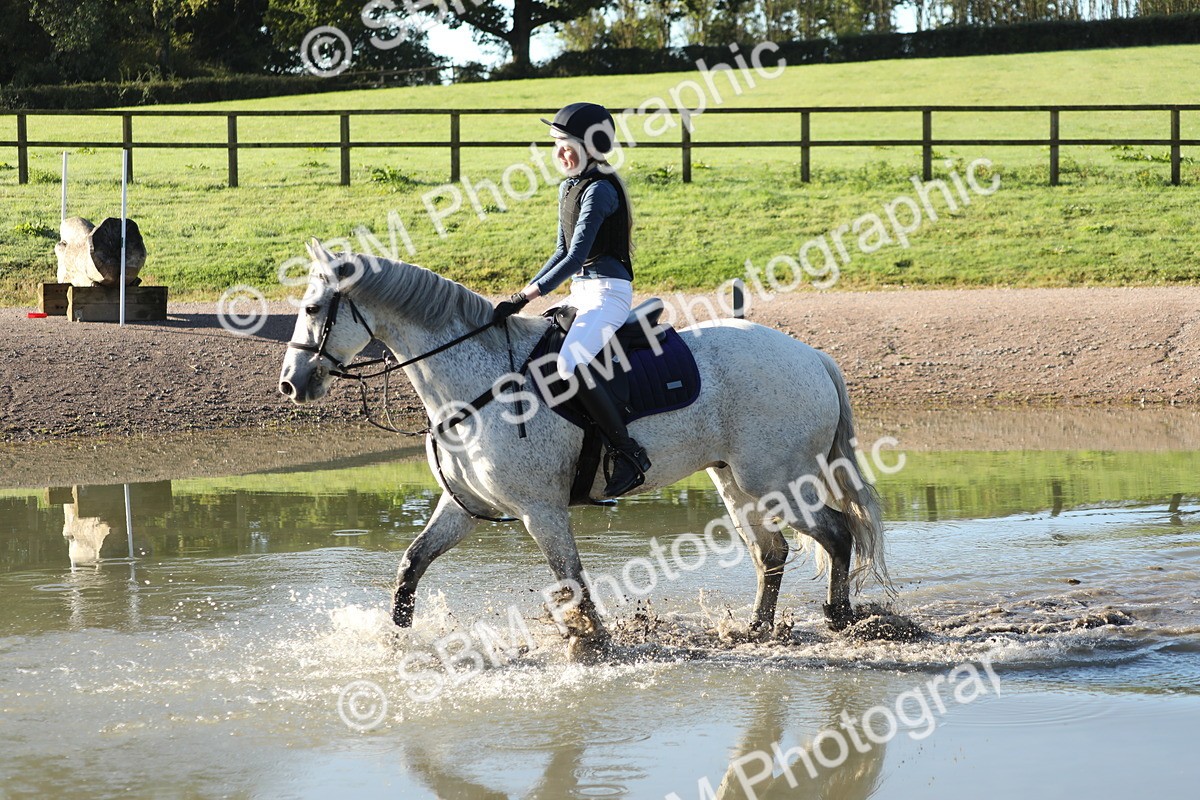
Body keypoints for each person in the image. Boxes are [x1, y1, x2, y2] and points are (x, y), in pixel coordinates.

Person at [492, 102, 651, 497]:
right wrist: (521, 295)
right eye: (556, 143)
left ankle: (628, 452)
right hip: (580, 293)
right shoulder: (569, 186)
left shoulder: (599, 190)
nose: (559, 151)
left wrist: (524, 297)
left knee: (569, 363)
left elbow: (577, 257)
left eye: (567, 143)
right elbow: (560, 252)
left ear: (592, 145)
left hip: (607, 296)